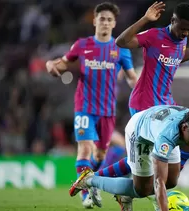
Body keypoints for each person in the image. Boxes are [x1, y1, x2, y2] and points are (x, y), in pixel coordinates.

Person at [90, 1, 189, 208]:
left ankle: (142, 189)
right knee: (146, 160)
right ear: (172, 21)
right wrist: (145, 19)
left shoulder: (182, 39)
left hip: (166, 105)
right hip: (144, 105)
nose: (184, 34)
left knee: (185, 145)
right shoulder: (155, 36)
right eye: (182, 28)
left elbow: (179, 55)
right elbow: (121, 41)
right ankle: (99, 181)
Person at [70, 105, 189, 211]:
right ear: (186, 128)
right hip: (140, 132)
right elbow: (158, 182)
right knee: (143, 188)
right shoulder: (166, 137)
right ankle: (90, 180)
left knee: (173, 180)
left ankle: (125, 195)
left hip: (160, 125)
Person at [45, 2, 137, 208]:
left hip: (107, 111)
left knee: (99, 155)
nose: (105, 22)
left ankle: (91, 181)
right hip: (85, 107)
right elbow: (63, 62)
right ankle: (85, 194)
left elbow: (131, 77)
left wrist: (142, 92)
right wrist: (52, 65)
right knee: (85, 149)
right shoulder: (82, 45)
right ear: (95, 21)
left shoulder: (120, 50)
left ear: (114, 24)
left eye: (109, 20)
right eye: (102, 18)